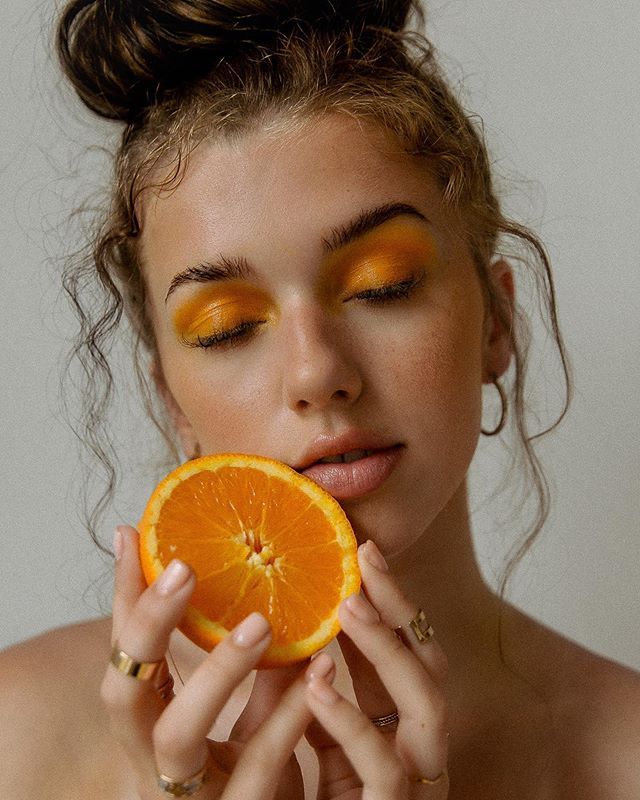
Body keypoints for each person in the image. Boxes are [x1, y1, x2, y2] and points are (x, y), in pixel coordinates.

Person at [1, 1, 638, 798]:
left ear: (496, 320)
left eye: (384, 285)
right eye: (228, 328)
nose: (315, 373)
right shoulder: (16, 740)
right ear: (170, 396)